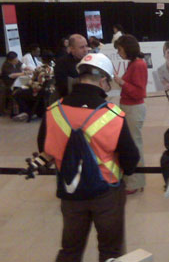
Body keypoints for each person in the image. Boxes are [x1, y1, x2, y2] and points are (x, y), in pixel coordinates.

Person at [37, 53, 140, 262]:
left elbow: (44, 147)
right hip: (107, 193)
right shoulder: (113, 114)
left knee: (70, 250)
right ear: (103, 81)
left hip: (70, 192)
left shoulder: (53, 111)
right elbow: (131, 160)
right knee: (111, 251)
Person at [114, 34, 148, 194]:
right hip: (129, 107)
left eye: (120, 50)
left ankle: (135, 182)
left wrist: (122, 83)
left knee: (134, 145)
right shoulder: (134, 64)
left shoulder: (138, 65)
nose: (119, 53)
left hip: (133, 108)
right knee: (132, 143)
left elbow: (139, 92)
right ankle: (133, 180)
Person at [13, 50, 55, 122]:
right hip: (51, 91)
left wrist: (26, 85)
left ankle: (28, 112)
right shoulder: (54, 67)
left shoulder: (41, 68)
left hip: (39, 91)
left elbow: (34, 81)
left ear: (42, 59)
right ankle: (36, 111)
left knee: (17, 93)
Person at [54, 34, 89, 98]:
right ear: (72, 49)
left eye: (86, 46)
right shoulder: (62, 64)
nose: (85, 50)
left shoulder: (90, 61)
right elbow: (63, 89)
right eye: (81, 47)